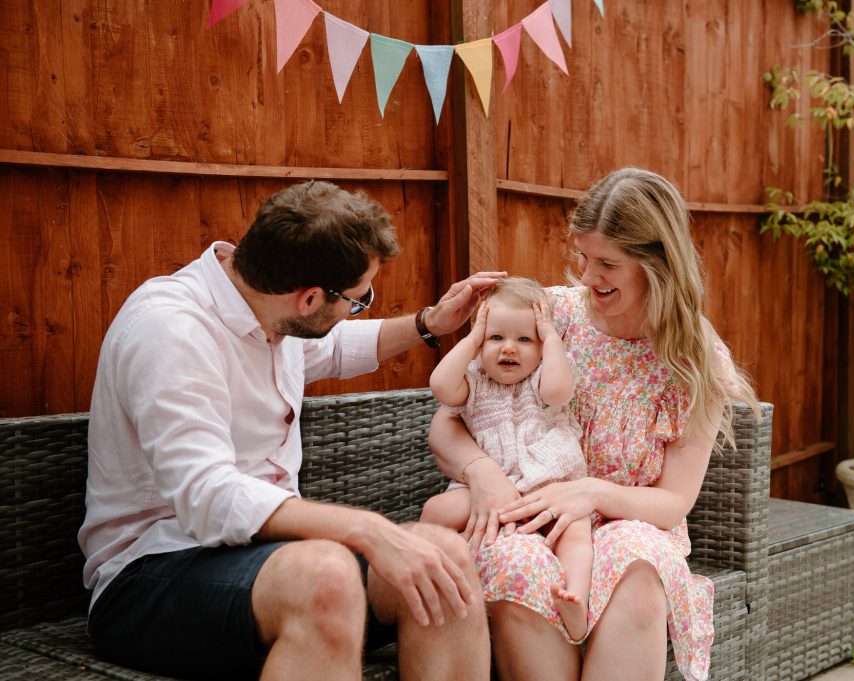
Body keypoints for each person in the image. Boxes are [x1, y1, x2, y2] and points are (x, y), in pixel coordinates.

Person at [78, 180, 504, 681]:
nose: (360, 305)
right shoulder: (172, 330)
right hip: (150, 573)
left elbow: (335, 346)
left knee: (446, 557)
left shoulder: (266, 309)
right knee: (326, 576)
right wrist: (368, 529)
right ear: (307, 300)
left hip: (268, 561)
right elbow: (207, 497)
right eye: (358, 298)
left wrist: (429, 323)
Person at [429, 168, 759, 681]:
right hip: (528, 511)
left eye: (608, 263)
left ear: (659, 266)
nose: (586, 276)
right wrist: (481, 472)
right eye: (582, 256)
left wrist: (590, 493)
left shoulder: (695, 358)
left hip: (631, 521)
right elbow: (449, 424)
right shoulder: (547, 318)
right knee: (516, 562)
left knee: (638, 567)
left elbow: (673, 502)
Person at [420, 277, 592, 641]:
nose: (509, 348)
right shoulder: (474, 380)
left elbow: (560, 392)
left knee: (575, 532)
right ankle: (430, 581)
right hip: (489, 489)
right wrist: (471, 340)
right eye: (496, 338)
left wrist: (552, 339)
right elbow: (439, 386)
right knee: (437, 510)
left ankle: (576, 595)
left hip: (547, 486)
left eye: (524, 339)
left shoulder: (543, 377)